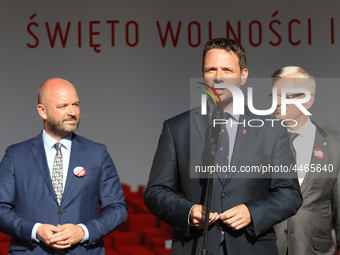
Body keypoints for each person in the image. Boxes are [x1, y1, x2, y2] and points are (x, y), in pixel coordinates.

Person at [144, 38, 302, 255]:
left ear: (243, 75)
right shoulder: (177, 128)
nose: (218, 77)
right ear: (202, 74)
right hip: (196, 247)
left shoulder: (271, 129)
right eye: (211, 69)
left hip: (251, 247)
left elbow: (290, 194)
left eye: (227, 70)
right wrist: (188, 212)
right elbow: (156, 192)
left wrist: (252, 213)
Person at [0, 78, 128, 254]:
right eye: (63, 106)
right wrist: (35, 230)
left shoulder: (97, 153)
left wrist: (83, 231)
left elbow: (117, 208)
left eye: (76, 105)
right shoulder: (16, 155)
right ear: (42, 111)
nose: (72, 112)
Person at [271, 66, 340, 255]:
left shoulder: (334, 150)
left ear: (307, 100)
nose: (277, 102)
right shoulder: (259, 144)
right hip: (269, 249)